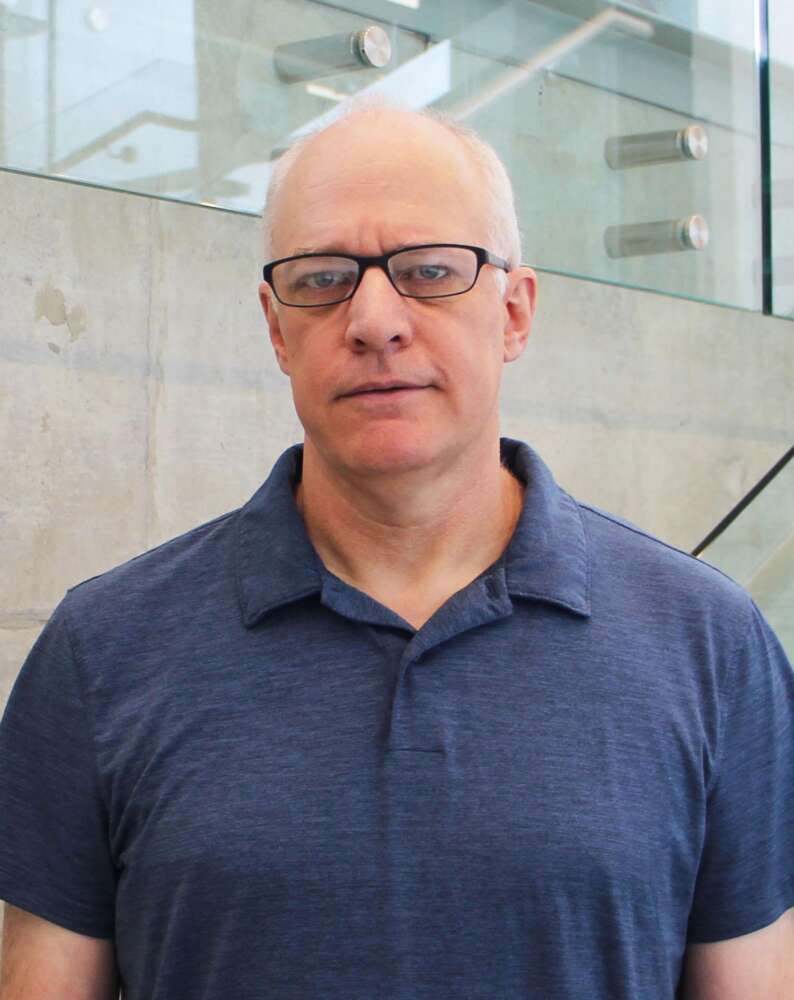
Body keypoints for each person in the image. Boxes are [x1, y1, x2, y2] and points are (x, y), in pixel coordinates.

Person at [0, 96, 792, 1000]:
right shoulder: (102, 650)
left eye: (428, 270)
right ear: (275, 328)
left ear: (516, 313)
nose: (375, 318)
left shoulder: (710, 643)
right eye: (322, 278)